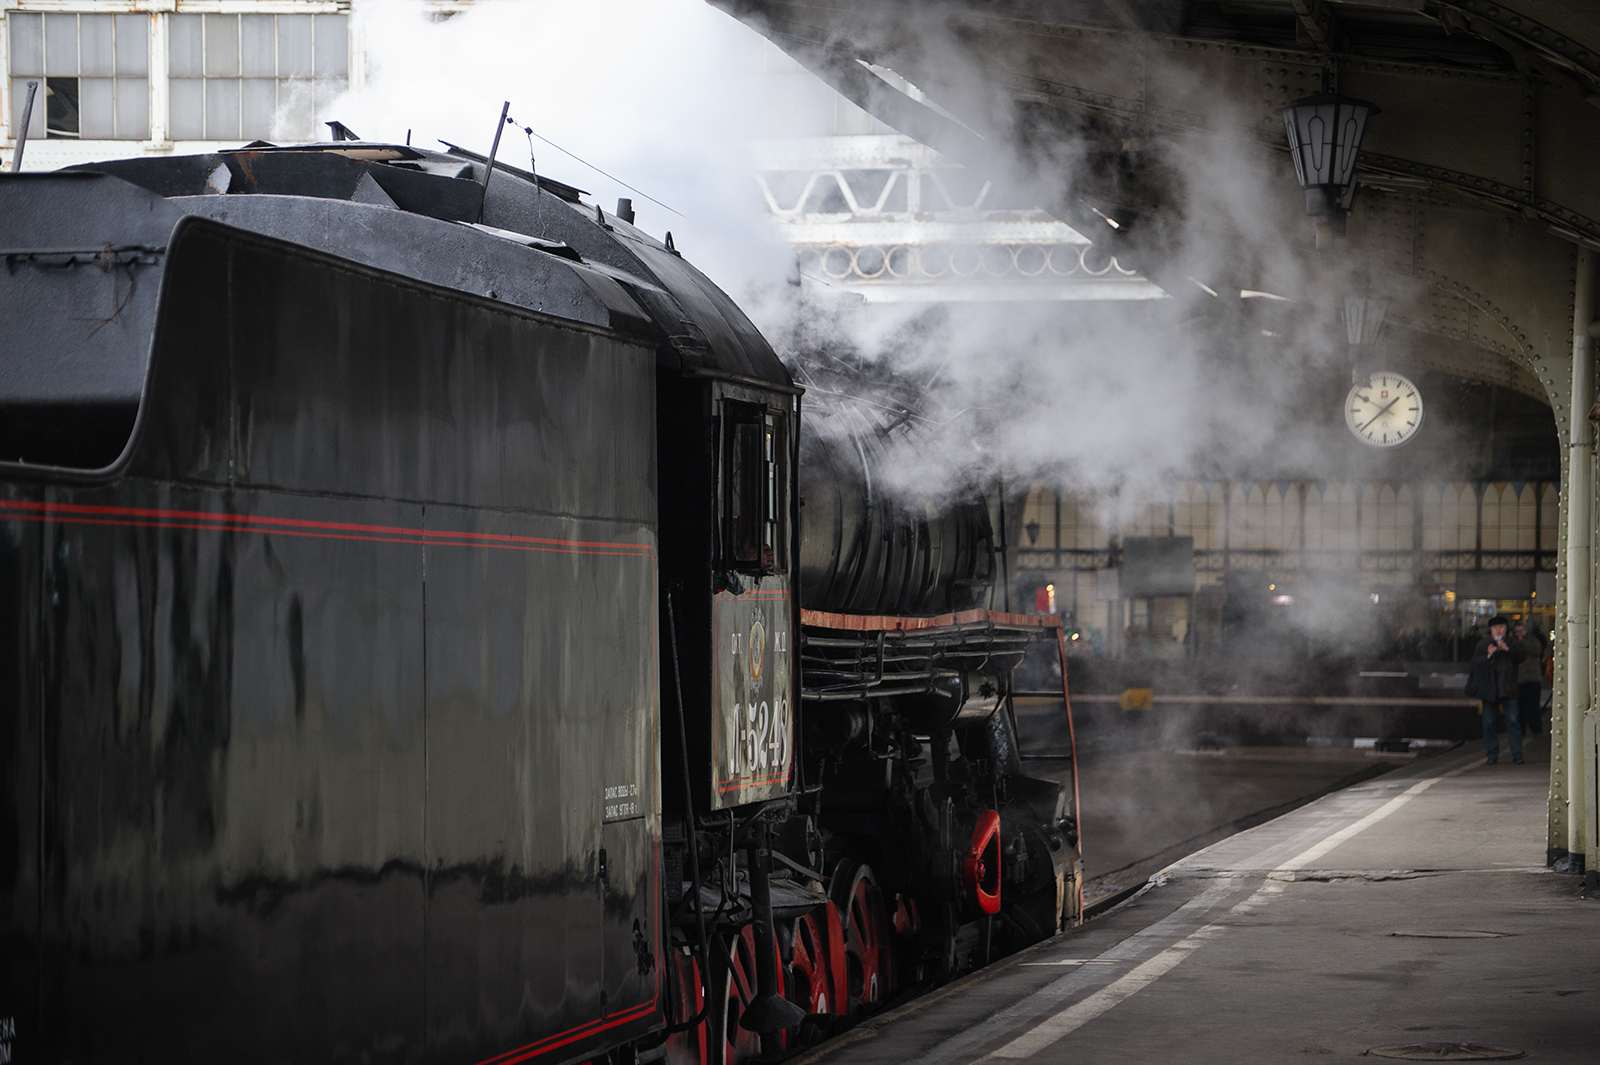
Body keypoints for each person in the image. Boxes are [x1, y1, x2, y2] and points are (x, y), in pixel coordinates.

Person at [1473, 615, 1527, 764]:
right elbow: (1475, 664)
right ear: (1491, 630)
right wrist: (1488, 655)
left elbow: (1522, 656)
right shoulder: (1483, 644)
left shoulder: (1513, 643)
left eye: (1501, 627)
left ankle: (1517, 754)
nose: (1498, 630)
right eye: (1495, 628)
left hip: (1509, 688)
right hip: (1490, 690)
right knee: (1489, 723)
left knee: (1513, 721)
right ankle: (1492, 754)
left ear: (1506, 629)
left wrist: (1508, 650)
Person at [1513, 620, 1546, 736]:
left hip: (1532, 678)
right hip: (1520, 679)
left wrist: (1523, 642)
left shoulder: (1532, 640)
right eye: (1517, 631)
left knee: (1533, 707)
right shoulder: (1513, 642)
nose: (1519, 633)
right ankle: (1521, 731)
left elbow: (1537, 650)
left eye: (1521, 630)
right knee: (1520, 707)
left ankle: (1536, 729)